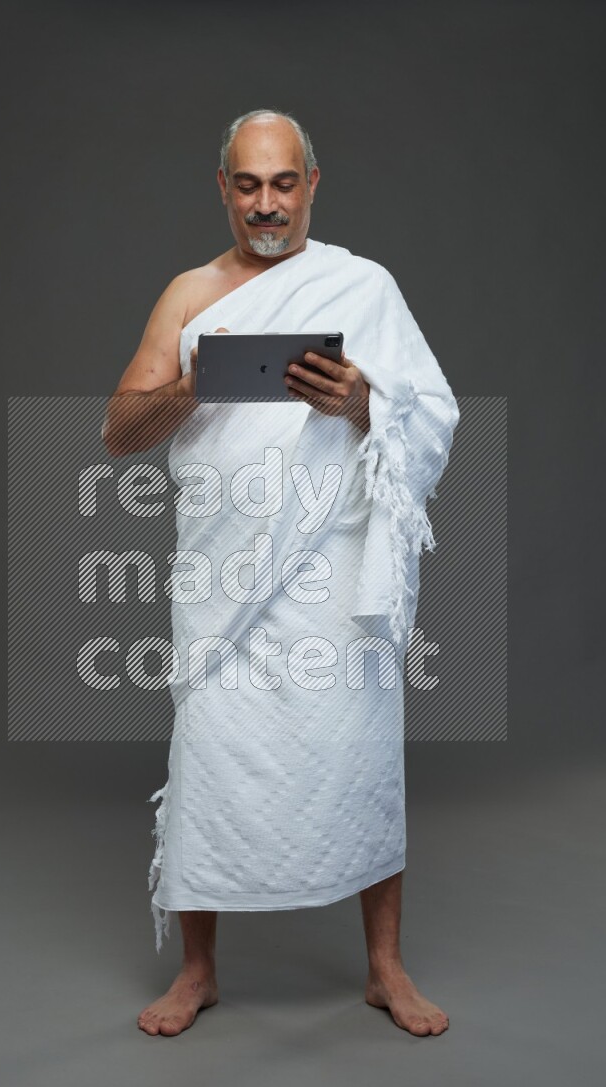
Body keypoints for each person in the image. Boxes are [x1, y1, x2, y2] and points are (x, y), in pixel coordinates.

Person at [102, 108, 459, 1038]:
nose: (268, 204)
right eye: (249, 184)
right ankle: (198, 971)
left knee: (363, 753)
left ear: (311, 185)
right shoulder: (189, 294)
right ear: (223, 188)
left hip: (335, 577)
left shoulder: (364, 286)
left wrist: (363, 402)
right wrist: (197, 385)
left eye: (284, 183)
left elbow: (435, 418)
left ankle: (385, 968)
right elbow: (120, 431)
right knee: (210, 760)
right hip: (223, 581)